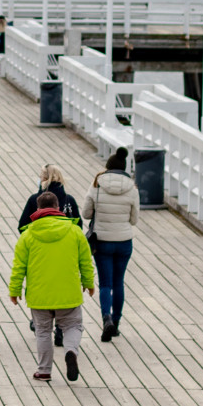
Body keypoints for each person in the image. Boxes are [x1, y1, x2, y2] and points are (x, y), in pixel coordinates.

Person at [9, 192, 95, 382]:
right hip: (68, 292)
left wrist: (14, 290)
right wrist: (88, 283)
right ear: (57, 208)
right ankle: (71, 350)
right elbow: (86, 262)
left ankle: (44, 370)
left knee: (42, 331)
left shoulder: (28, 234)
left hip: (39, 294)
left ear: (38, 209)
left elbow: (19, 266)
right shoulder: (74, 232)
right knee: (73, 325)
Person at [83, 146, 138, 341]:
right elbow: (134, 220)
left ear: (107, 167)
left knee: (105, 283)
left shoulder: (97, 184)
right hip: (123, 241)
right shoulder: (132, 188)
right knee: (118, 282)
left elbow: (86, 213)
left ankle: (106, 318)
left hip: (102, 241)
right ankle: (116, 322)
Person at [19, 163, 80, 233]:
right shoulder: (69, 200)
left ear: (43, 179)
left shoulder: (34, 200)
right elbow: (78, 225)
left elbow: (22, 225)